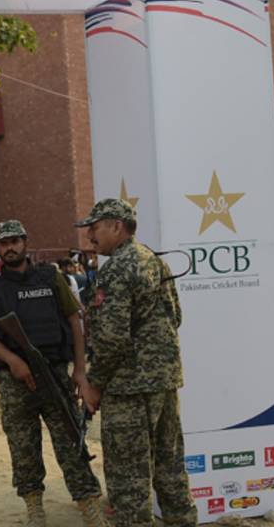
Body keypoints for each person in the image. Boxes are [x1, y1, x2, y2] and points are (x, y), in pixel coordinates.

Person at [0, 220, 106, 527]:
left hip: (55, 374)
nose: (10, 248)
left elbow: (74, 320)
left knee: (72, 442)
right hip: (15, 381)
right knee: (23, 446)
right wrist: (13, 361)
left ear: (25, 243)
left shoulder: (51, 277)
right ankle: (35, 510)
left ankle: (89, 508)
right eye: (3, 244)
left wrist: (80, 370)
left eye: (15, 241)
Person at [75, 200, 196, 527]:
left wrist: (94, 383)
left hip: (128, 388)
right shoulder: (156, 263)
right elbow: (176, 317)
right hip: (164, 383)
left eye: (95, 227)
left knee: (129, 481)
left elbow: (112, 337)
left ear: (116, 226)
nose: (89, 235)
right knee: (170, 468)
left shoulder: (115, 269)